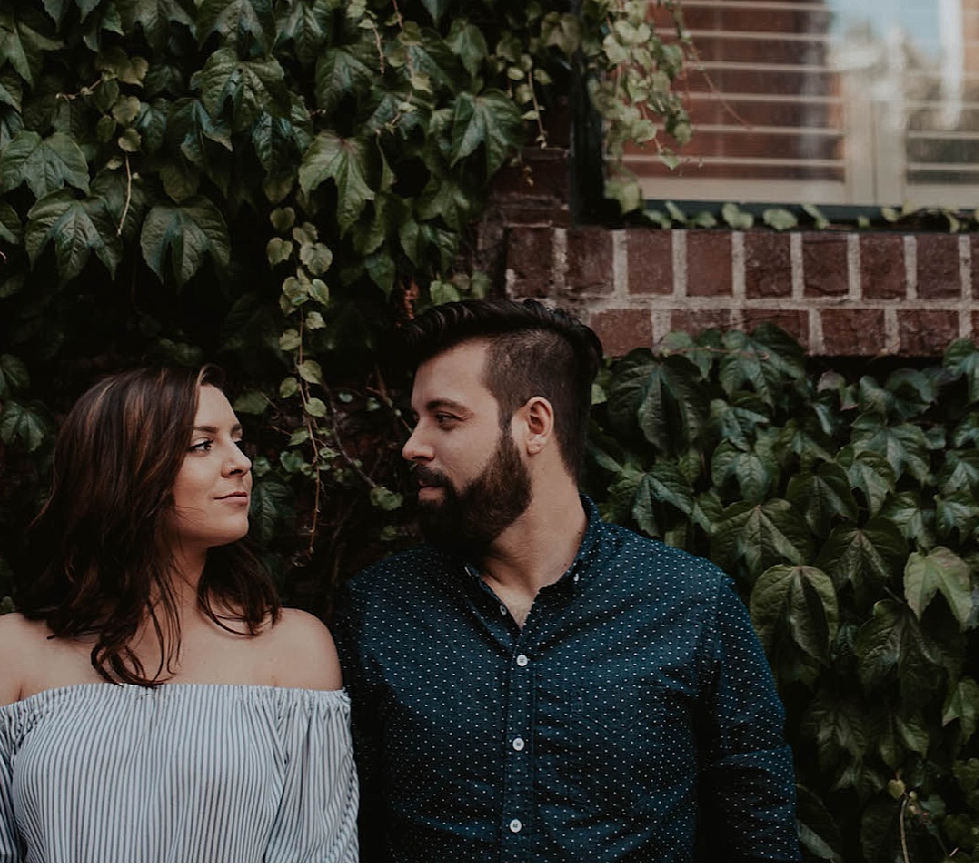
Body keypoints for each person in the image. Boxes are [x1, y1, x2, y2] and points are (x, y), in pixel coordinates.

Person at [332, 299, 800, 860]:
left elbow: (758, 830)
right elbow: (339, 830)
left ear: (534, 424)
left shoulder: (689, 603)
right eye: (416, 419)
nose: (413, 445)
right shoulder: (378, 608)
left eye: (446, 418)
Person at [0, 365, 358, 862]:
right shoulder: (6, 654)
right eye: (203, 445)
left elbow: (317, 855)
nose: (241, 462)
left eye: (237, 440)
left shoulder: (293, 648)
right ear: (125, 469)